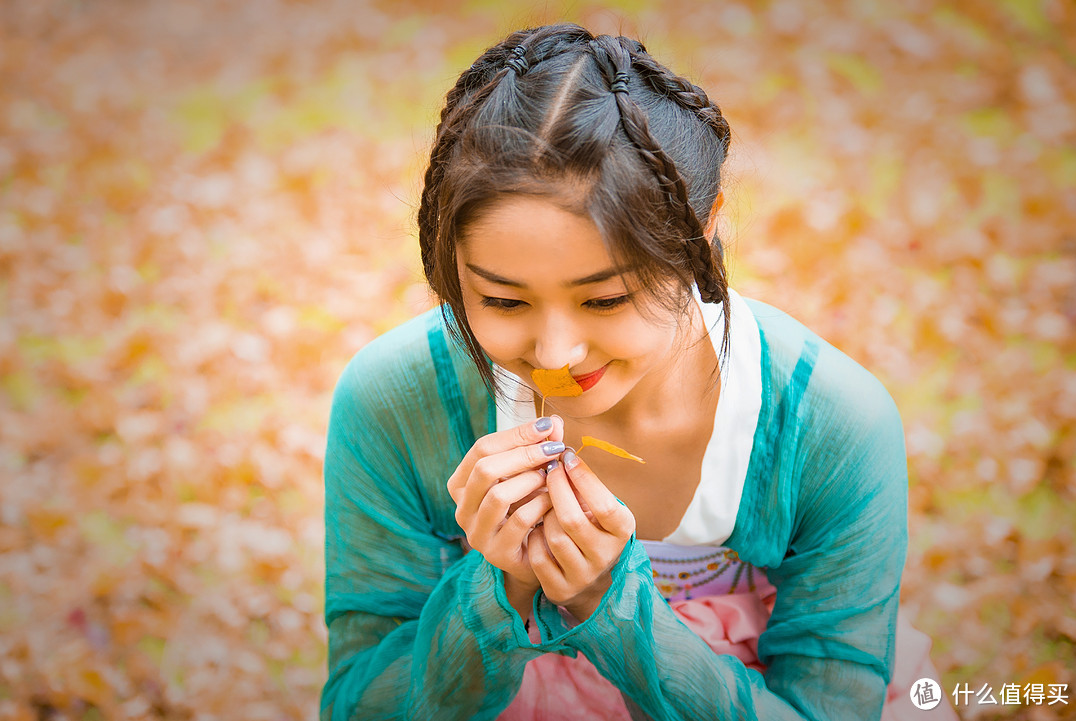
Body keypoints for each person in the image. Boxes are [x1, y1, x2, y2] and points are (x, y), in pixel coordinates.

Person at [321, 23, 957, 721]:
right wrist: (494, 588)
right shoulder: (397, 401)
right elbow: (360, 703)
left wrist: (611, 606)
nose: (557, 354)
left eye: (606, 298)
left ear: (702, 231)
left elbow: (829, 706)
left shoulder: (827, 425)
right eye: (502, 299)